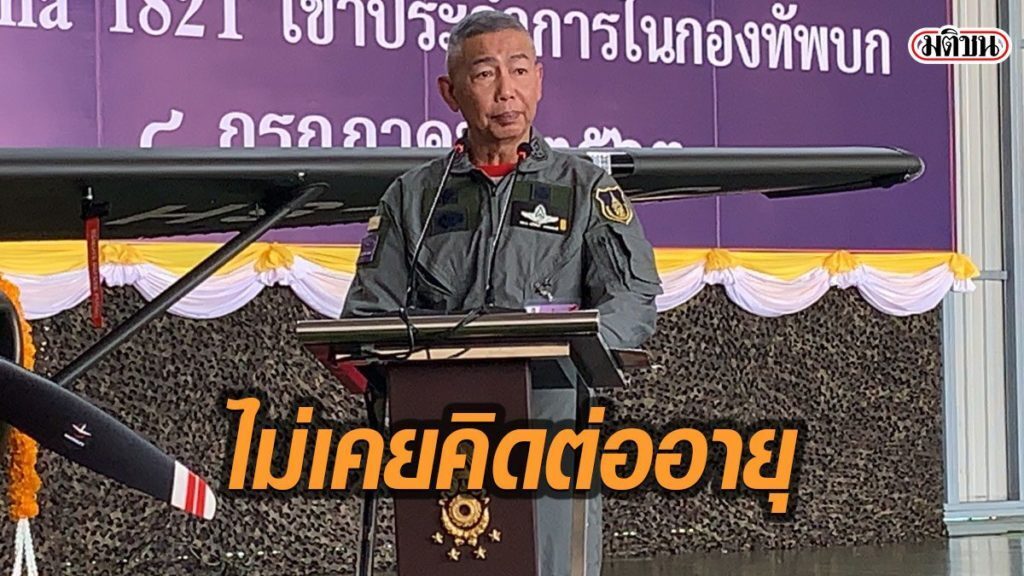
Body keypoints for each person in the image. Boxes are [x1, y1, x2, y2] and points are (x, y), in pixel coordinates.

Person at [341, 11, 662, 576]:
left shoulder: (584, 189)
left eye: (519, 70)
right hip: (440, 438)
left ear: (540, 78)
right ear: (451, 92)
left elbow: (632, 297)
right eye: (486, 74)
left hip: (552, 434)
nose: (506, 90)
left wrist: (577, 347)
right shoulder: (412, 198)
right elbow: (367, 314)